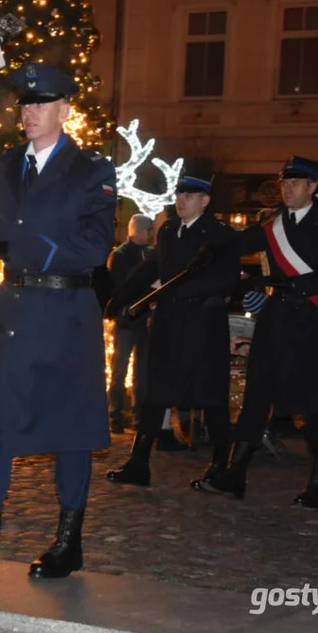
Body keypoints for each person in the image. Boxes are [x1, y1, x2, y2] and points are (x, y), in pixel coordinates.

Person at [0, 63, 117, 580]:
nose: (28, 111)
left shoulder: (91, 170)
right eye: (24, 103)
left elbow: (96, 247)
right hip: (12, 315)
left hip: (66, 313)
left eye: (40, 103)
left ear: (65, 109)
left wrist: (32, 239)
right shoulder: (8, 166)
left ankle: (68, 542)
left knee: (71, 430)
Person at [206, 156, 318, 508]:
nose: (287, 188)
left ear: (313, 186)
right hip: (276, 323)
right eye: (284, 183)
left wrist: (294, 284)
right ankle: (235, 474)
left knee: (315, 405)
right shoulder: (272, 225)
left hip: (314, 323)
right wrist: (207, 241)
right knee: (256, 396)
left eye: (296, 183)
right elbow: (235, 246)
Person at [105, 171, 240, 489]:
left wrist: (180, 291)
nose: (181, 200)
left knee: (212, 398)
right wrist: (119, 297)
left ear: (204, 201)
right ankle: (139, 463)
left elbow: (227, 280)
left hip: (203, 327)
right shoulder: (167, 231)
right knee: (155, 395)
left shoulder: (220, 235)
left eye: (189, 196)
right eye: (179, 195)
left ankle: (221, 466)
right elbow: (152, 267)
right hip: (168, 326)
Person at [105, 214, 154, 434]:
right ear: (140, 231)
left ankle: (137, 415)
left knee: (141, 372)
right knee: (120, 369)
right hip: (127, 319)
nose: (152, 234)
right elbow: (123, 285)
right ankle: (115, 414)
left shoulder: (146, 253)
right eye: (149, 230)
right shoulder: (121, 255)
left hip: (142, 319)